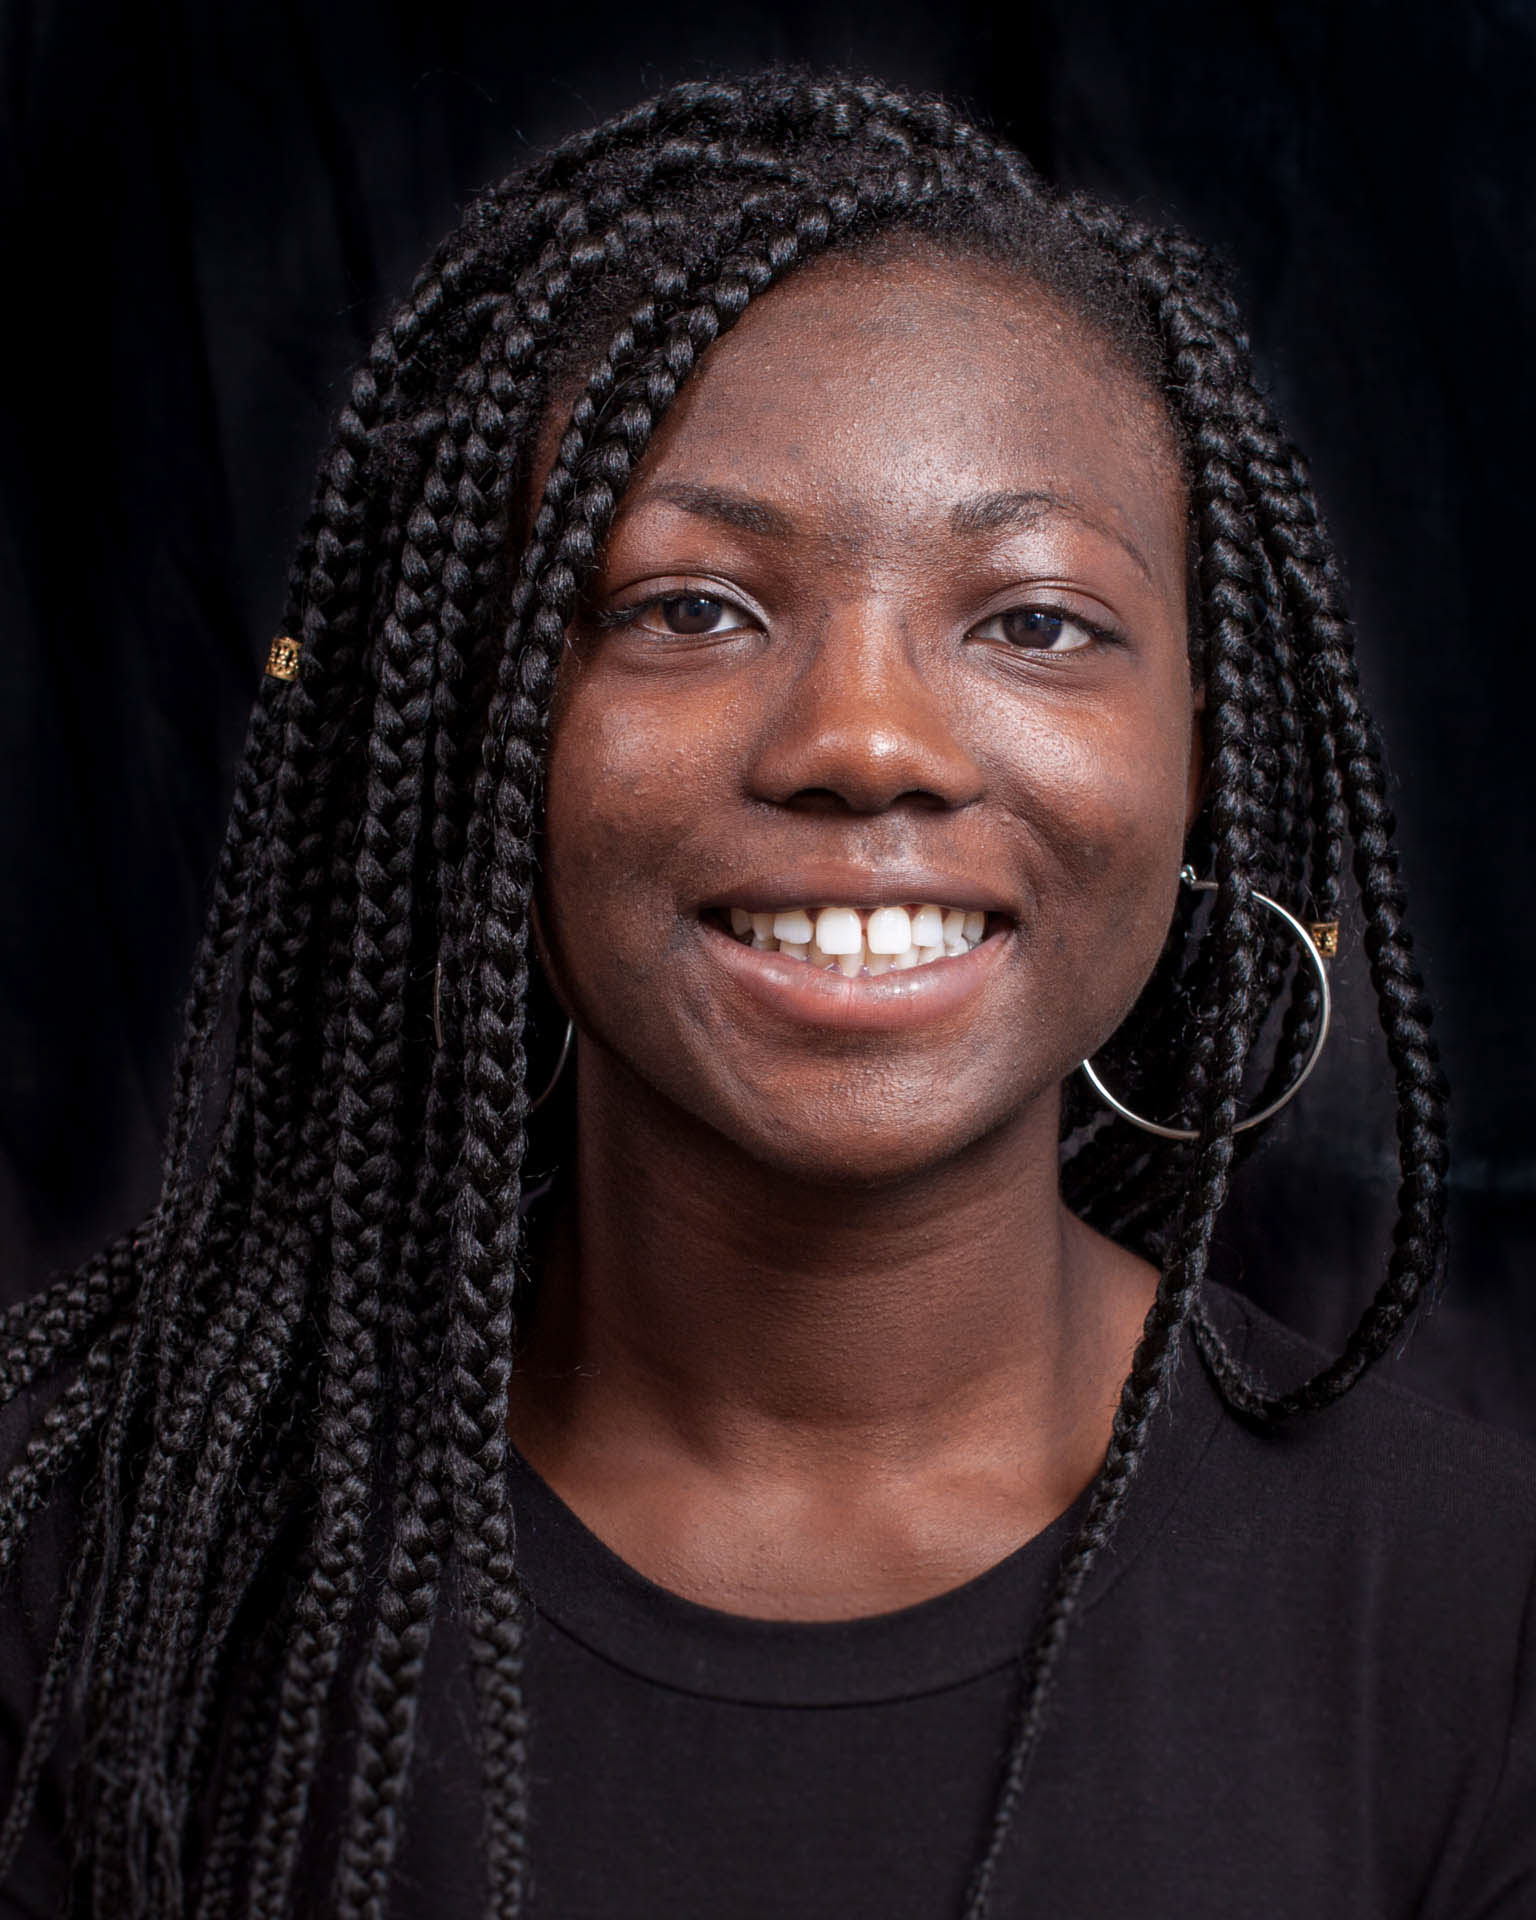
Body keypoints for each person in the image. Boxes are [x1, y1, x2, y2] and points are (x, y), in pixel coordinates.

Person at [0, 69, 1531, 1920]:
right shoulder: (90, 1570)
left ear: (1204, 749)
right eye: (690, 607)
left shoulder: (1476, 1623)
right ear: (479, 732)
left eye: (1034, 620)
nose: (865, 741)